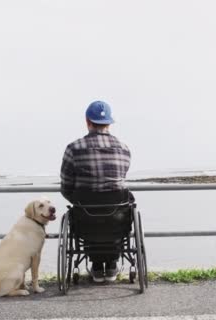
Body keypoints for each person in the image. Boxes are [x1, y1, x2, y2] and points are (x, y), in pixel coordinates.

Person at [60, 100, 132, 282]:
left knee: (88, 210)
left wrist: (79, 199)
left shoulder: (73, 148)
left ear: (87, 121)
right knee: (117, 207)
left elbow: (66, 186)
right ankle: (112, 263)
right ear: (109, 122)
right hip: (117, 218)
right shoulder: (124, 149)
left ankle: (98, 266)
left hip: (85, 219)